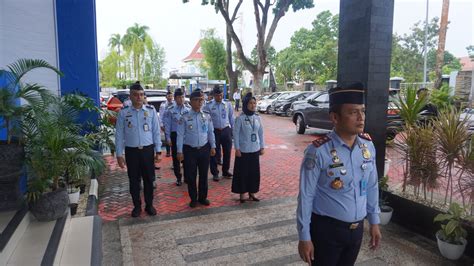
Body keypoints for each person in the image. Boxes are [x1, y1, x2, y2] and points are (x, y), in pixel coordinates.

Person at [297, 82, 381, 265]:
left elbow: (372, 186)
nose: (361, 117)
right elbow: (306, 196)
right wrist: (304, 236)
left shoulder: (368, 147)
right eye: (353, 112)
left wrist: (374, 221)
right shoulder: (318, 151)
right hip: (327, 230)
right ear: (335, 117)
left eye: (363, 111)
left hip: (356, 230)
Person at [115, 81, 162, 217]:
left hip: (147, 151)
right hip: (132, 152)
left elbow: (156, 132)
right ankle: (137, 206)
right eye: (135, 95)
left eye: (141, 95)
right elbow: (119, 134)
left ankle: (149, 205)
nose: (139, 97)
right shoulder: (124, 113)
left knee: (149, 179)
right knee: (134, 180)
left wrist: (158, 151)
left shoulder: (151, 111)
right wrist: (119, 154)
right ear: (130, 96)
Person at [177, 90, 216, 208]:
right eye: (197, 100)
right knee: (191, 175)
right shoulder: (184, 117)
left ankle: (203, 197)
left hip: (204, 149)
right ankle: (193, 198)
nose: (199, 102)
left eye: (201, 100)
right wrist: (179, 151)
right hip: (190, 150)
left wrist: (213, 146)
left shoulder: (206, 115)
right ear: (191, 101)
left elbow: (210, 132)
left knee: (204, 175)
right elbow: (180, 135)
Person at [232, 93, 265, 203]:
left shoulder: (257, 118)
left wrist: (262, 147)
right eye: (250, 103)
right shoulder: (240, 118)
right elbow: (235, 134)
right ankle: (242, 193)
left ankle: (252, 192)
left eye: (254, 103)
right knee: (243, 172)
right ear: (246, 104)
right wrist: (237, 149)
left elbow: (261, 133)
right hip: (243, 150)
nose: (253, 105)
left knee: (254, 173)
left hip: (255, 149)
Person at [204, 85, 234, 181]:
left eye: (221, 95)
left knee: (227, 152)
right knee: (213, 152)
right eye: (217, 95)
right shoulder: (208, 105)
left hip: (226, 130)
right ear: (214, 95)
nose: (219, 97)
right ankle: (215, 173)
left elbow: (231, 118)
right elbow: (206, 121)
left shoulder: (228, 104)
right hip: (214, 131)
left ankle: (225, 171)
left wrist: (232, 130)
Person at [163, 88, 190, 186]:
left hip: (186, 136)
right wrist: (168, 138)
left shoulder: (188, 109)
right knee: (176, 157)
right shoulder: (170, 110)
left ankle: (187, 176)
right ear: (175, 98)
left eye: (183, 97)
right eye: (179, 97)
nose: (181, 99)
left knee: (186, 157)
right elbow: (167, 124)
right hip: (174, 135)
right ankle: (178, 177)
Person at [160, 91, 174, 157]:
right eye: (169, 96)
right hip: (166, 125)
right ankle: (168, 152)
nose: (170, 97)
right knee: (167, 138)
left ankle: (174, 151)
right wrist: (161, 125)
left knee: (174, 138)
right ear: (166, 97)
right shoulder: (163, 105)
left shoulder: (175, 104)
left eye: (171, 96)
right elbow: (161, 115)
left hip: (174, 125)